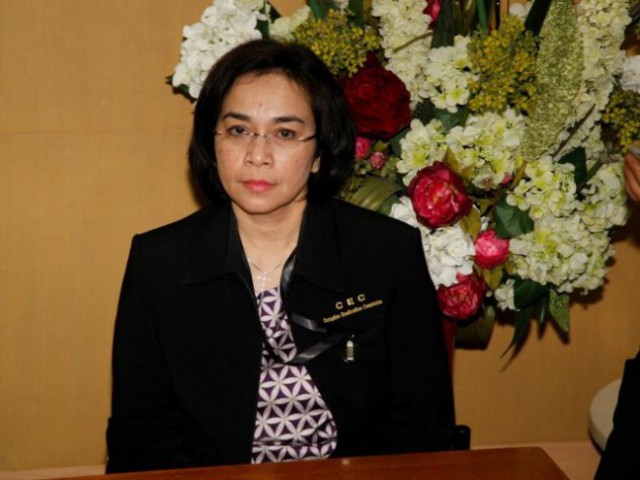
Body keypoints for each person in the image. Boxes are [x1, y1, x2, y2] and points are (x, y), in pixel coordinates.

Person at [105, 39, 455, 473]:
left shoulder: (387, 253)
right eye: (238, 130)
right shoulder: (159, 262)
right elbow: (140, 437)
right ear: (212, 142)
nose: (257, 156)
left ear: (319, 153)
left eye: (285, 133)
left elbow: (423, 428)